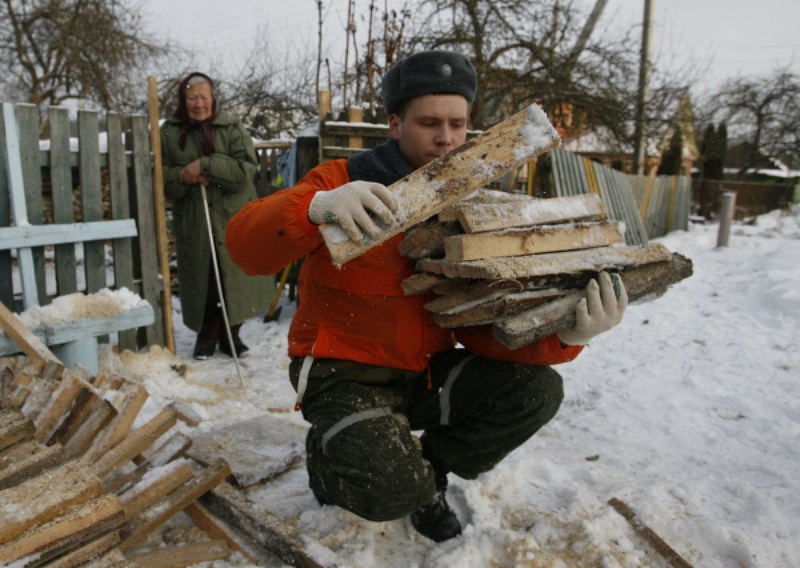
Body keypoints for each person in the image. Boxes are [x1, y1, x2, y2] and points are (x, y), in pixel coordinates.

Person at [225, 51, 627, 542]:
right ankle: (328, 461)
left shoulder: (469, 203)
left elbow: (479, 327)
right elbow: (245, 247)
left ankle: (429, 472)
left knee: (535, 391)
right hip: (343, 374)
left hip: (426, 375)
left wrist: (563, 333)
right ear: (395, 124)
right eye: (430, 123)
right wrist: (315, 207)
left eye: (458, 124)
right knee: (391, 493)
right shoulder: (342, 181)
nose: (447, 138)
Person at [161, 72, 274, 360]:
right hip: (195, 217)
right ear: (183, 100)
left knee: (236, 279)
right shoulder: (170, 132)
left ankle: (231, 335)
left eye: (204, 97)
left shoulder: (231, 127)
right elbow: (161, 176)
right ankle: (207, 334)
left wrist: (206, 164)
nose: (199, 103)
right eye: (192, 98)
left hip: (233, 216)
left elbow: (245, 170)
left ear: (213, 98)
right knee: (205, 279)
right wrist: (184, 175)